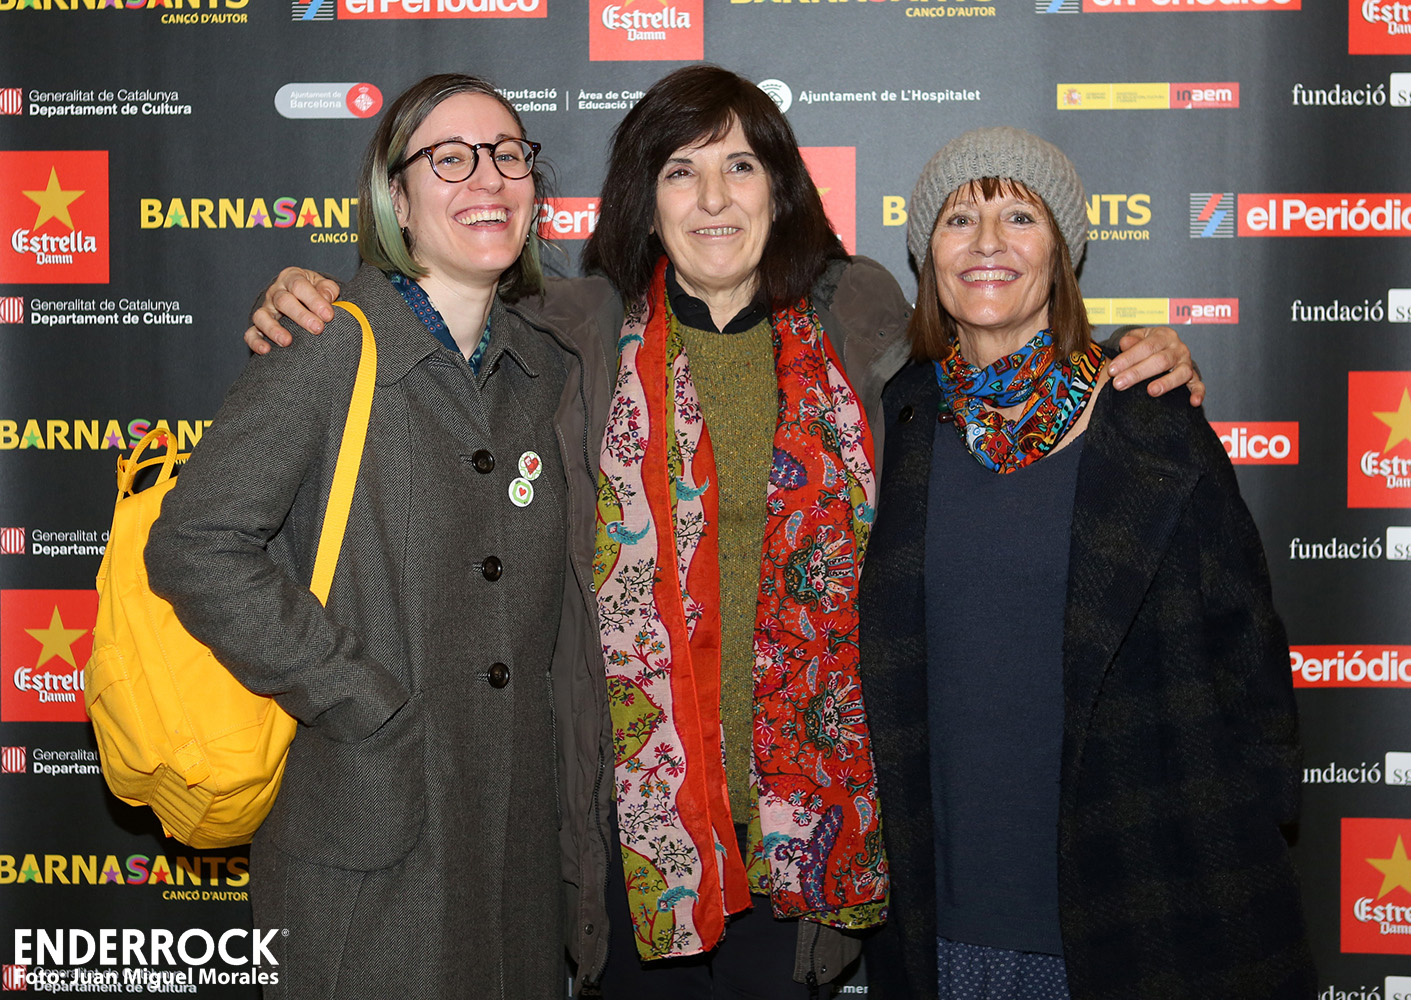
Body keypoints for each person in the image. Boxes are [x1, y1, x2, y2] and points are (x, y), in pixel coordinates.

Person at [240, 67, 1203, 998]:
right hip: (627, 837)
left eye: (739, 166)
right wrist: (322, 294)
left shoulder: (860, 322)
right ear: (643, 200)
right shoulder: (568, 331)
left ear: (779, 190)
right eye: (680, 170)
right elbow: (437, 296)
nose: (712, 198)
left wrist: (1129, 359)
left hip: (804, 841)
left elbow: (996, 338)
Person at [145, 73, 609, 999]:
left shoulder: (548, 366)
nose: (489, 177)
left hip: (518, 854)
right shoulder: (328, 344)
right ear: (396, 199)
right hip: (369, 829)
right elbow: (196, 542)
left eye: (508, 155)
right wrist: (359, 698)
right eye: (451, 159)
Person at [859, 127, 1315, 1000]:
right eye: (958, 219)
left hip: (1140, 897)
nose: (986, 243)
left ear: (1061, 252)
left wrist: (1253, 818)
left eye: (1019, 216)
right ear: (927, 258)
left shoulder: (1150, 415)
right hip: (943, 905)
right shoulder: (897, 418)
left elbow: (1245, 647)